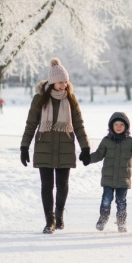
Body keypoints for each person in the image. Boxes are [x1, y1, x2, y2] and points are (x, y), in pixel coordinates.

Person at [20, 58, 90, 234]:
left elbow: (79, 124)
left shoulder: (71, 100)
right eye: (60, 82)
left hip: (65, 147)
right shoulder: (39, 99)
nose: (64, 85)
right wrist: (24, 147)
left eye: (66, 81)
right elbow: (31, 124)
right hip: (44, 147)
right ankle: (49, 221)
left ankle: (59, 215)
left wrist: (85, 148)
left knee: (62, 185)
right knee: (46, 185)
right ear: (52, 82)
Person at [85, 112, 132, 233]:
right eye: (116, 124)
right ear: (111, 126)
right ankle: (103, 219)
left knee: (121, 202)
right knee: (106, 200)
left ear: (126, 127)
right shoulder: (106, 141)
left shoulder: (130, 141)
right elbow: (99, 155)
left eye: (121, 124)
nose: (119, 126)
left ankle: (121, 223)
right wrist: (87, 158)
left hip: (123, 179)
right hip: (108, 179)